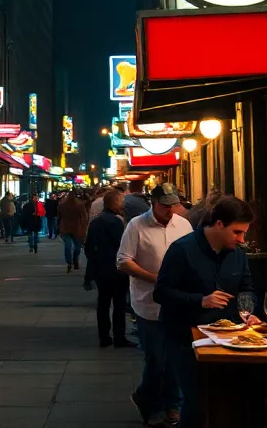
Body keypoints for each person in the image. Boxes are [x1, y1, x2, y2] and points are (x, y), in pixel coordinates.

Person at [155, 196, 257, 428]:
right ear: (219, 224)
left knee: (227, 402)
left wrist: (249, 309)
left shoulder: (237, 254)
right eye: (237, 232)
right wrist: (201, 301)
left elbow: (247, 288)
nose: (241, 239)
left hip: (228, 338)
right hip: (186, 337)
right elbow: (161, 293)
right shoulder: (182, 250)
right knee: (196, 403)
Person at [118, 182, 192, 427]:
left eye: (173, 205)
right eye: (165, 206)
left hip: (179, 303)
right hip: (148, 303)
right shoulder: (136, 225)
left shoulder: (183, 225)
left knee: (176, 357)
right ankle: (148, 398)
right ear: (153, 203)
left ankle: (172, 404)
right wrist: (155, 279)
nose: (170, 210)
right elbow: (123, 261)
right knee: (156, 359)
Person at [86, 190, 133, 348]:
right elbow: (122, 246)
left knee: (103, 303)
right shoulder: (116, 222)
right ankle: (119, 337)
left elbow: (88, 247)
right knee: (119, 303)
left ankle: (104, 336)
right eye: (120, 201)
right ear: (115, 203)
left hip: (100, 269)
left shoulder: (95, 221)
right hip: (116, 269)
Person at [58, 191, 89, 271]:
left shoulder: (62, 204)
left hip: (65, 228)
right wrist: (84, 228)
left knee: (68, 246)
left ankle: (69, 262)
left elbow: (59, 217)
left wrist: (58, 228)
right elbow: (84, 217)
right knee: (77, 246)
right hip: (77, 229)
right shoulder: (80, 204)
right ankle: (75, 260)